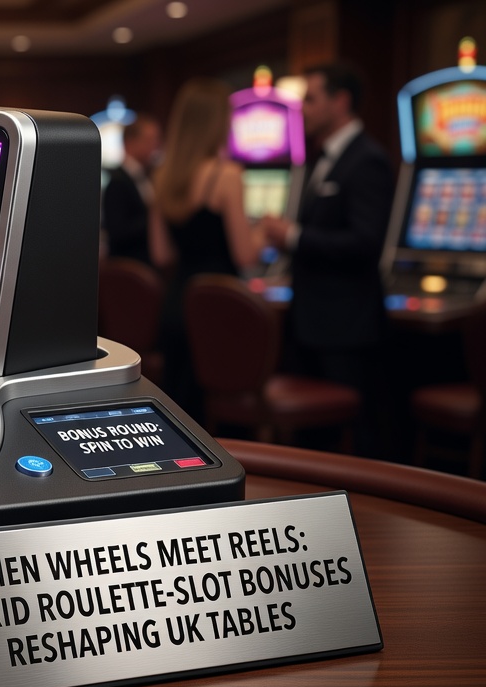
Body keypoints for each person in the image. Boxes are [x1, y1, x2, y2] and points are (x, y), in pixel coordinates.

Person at [261, 63, 394, 454]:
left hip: (346, 323)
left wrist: (294, 235)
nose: (302, 108)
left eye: (311, 98)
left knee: (353, 441)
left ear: (341, 101)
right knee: (314, 443)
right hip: (312, 319)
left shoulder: (367, 158)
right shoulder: (324, 157)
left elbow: (366, 241)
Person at [149, 78, 263, 415]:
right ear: (218, 122)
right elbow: (246, 256)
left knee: (183, 411)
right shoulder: (227, 175)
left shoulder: (163, 176)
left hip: (177, 305)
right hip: (219, 306)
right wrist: (265, 233)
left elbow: (162, 254)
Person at [103, 116, 161, 265]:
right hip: (129, 267)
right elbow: (117, 232)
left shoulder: (149, 175)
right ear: (130, 143)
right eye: (149, 140)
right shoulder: (117, 181)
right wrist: (156, 219)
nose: (155, 147)